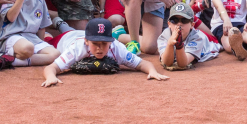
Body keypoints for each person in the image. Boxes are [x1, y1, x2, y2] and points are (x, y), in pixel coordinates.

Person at [40, 18, 168, 87]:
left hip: (82, 34)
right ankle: (59, 23)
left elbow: (142, 64)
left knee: (71, 29)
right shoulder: (76, 48)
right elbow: (51, 68)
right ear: (86, 41)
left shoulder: (117, 48)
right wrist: (51, 77)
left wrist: (152, 72)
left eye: (104, 43)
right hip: (66, 39)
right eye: (95, 44)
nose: (99, 48)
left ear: (111, 41)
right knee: (48, 40)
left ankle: (61, 23)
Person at [157, 3, 220, 69]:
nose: (179, 24)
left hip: (209, 42)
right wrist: (170, 44)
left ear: (192, 25)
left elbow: (183, 63)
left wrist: (179, 45)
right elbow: (167, 63)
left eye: (184, 20)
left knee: (222, 46)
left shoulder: (197, 37)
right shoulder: (164, 35)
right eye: (174, 20)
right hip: (193, 36)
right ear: (169, 24)